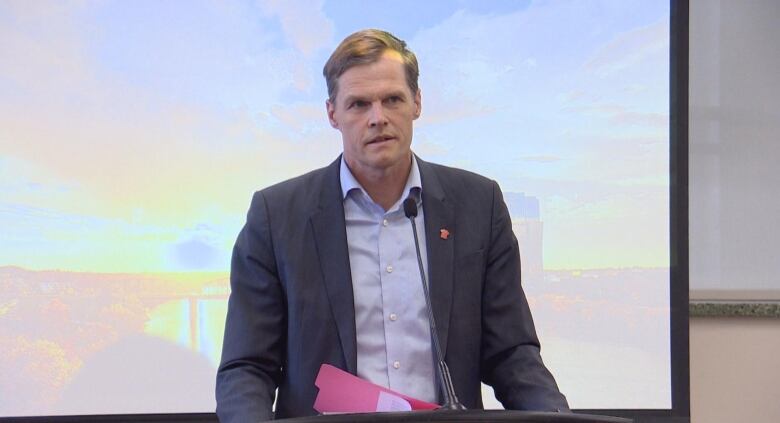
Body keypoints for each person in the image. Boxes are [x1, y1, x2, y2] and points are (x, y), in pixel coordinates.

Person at [216, 29, 569, 422]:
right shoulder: (276, 215)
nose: (378, 118)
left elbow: (511, 354)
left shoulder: (478, 204)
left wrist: (556, 417)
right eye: (359, 104)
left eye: (392, 100)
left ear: (417, 102)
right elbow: (246, 368)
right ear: (332, 113)